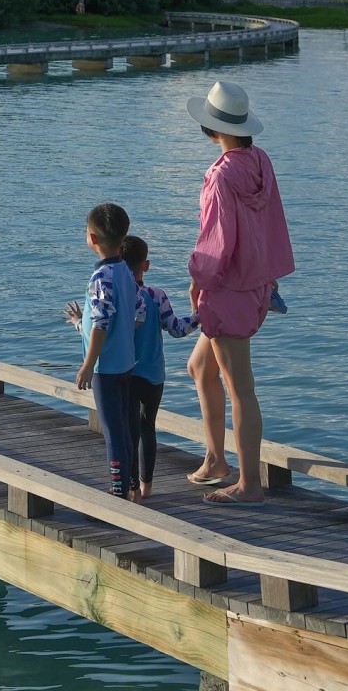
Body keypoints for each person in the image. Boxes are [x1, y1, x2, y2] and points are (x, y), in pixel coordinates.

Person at [183, 81, 294, 506]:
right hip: (254, 285)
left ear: (211, 130)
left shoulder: (220, 175)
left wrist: (199, 278)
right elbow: (270, 224)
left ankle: (249, 485)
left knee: (240, 387)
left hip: (228, 288)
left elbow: (216, 241)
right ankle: (215, 459)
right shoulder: (260, 162)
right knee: (199, 367)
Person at [66, 203, 145, 500]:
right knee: (125, 427)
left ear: (92, 238)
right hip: (125, 363)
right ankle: (131, 484)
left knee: (112, 430)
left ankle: (118, 492)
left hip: (106, 369)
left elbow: (100, 325)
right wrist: (79, 323)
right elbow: (137, 313)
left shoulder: (101, 278)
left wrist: (88, 364)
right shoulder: (124, 270)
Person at [122, 235, 199, 500]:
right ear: (147, 265)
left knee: (130, 431)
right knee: (147, 428)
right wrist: (199, 314)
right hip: (155, 375)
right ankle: (147, 487)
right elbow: (177, 329)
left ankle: (130, 487)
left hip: (128, 373)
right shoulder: (156, 296)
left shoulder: (122, 296)